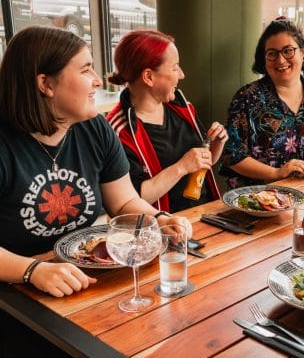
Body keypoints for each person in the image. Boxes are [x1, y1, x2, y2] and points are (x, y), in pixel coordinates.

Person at [0, 26, 190, 356]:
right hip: (16, 295)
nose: (98, 80)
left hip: (85, 281)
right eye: (86, 69)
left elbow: (124, 201)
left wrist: (157, 218)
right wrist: (32, 271)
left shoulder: (94, 127)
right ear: (45, 84)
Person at [220, 17, 304, 189]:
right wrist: (276, 173)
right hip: (260, 202)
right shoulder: (247, 98)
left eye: (288, 50)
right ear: (264, 59)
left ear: (302, 52)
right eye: (272, 53)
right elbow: (232, 155)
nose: (281, 60)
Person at [106, 30, 227, 213]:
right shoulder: (119, 129)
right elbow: (129, 200)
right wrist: (181, 167)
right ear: (149, 77)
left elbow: (201, 165)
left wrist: (216, 145)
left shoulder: (183, 107)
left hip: (204, 213)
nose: (182, 75)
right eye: (175, 67)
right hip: (163, 228)